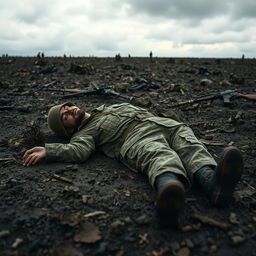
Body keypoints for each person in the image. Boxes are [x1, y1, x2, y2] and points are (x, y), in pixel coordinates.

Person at [22, 102, 244, 228]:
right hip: (136, 138)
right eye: (64, 117)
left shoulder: (105, 107)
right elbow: (77, 152)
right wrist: (49, 150)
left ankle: (213, 184)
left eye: (67, 107)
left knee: (191, 148)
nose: (69, 110)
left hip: (167, 125)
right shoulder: (83, 134)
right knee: (159, 155)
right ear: (68, 130)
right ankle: (170, 194)